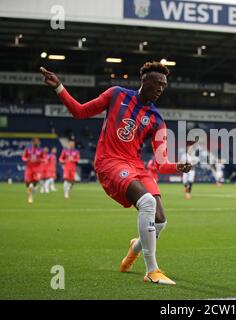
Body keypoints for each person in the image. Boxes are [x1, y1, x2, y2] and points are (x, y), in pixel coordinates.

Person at [40, 62, 191, 285]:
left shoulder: (157, 120)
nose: (161, 88)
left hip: (136, 166)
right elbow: (80, 112)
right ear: (144, 81)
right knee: (147, 202)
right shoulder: (117, 94)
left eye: (164, 85)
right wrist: (59, 87)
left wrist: (177, 166)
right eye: (157, 83)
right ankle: (152, 271)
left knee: (160, 221)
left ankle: (135, 247)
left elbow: (160, 163)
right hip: (109, 161)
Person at [21, 137, 44, 203]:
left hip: (37, 169)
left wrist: (38, 160)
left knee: (33, 184)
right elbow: (23, 157)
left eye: (38, 141)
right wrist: (26, 159)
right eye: (35, 141)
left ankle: (30, 196)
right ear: (33, 142)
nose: (37, 142)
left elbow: (43, 158)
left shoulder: (41, 150)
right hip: (29, 168)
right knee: (28, 183)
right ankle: (30, 194)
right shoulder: (28, 149)